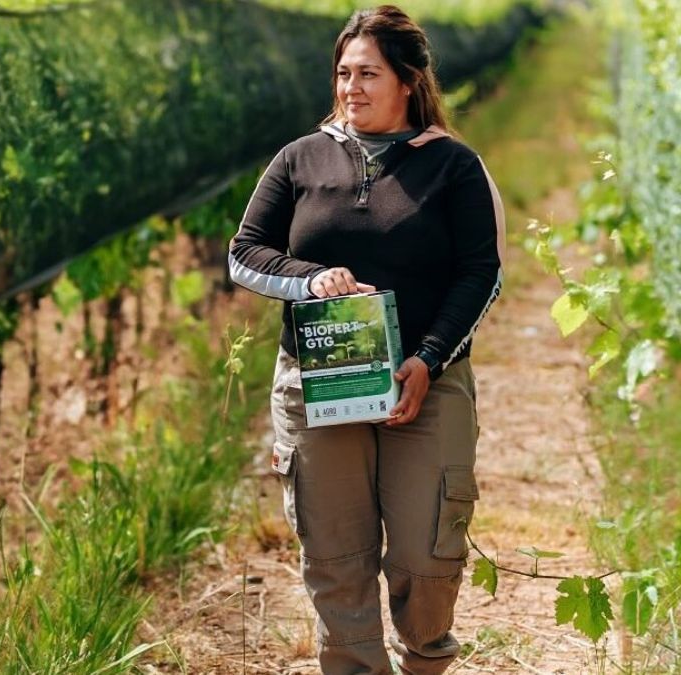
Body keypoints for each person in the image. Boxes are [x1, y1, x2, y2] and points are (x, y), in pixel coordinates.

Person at [227, 5, 505, 674]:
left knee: (426, 557)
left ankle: (425, 659)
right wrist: (310, 279)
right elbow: (245, 253)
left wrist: (428, 359)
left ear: (408, 80)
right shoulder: (300, 158)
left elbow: (482, 273)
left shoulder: (453, 166)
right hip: (321, 385)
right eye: (344, 73)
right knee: (336, 557)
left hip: (425, 385)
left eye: (369, 74)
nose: (351, 87)